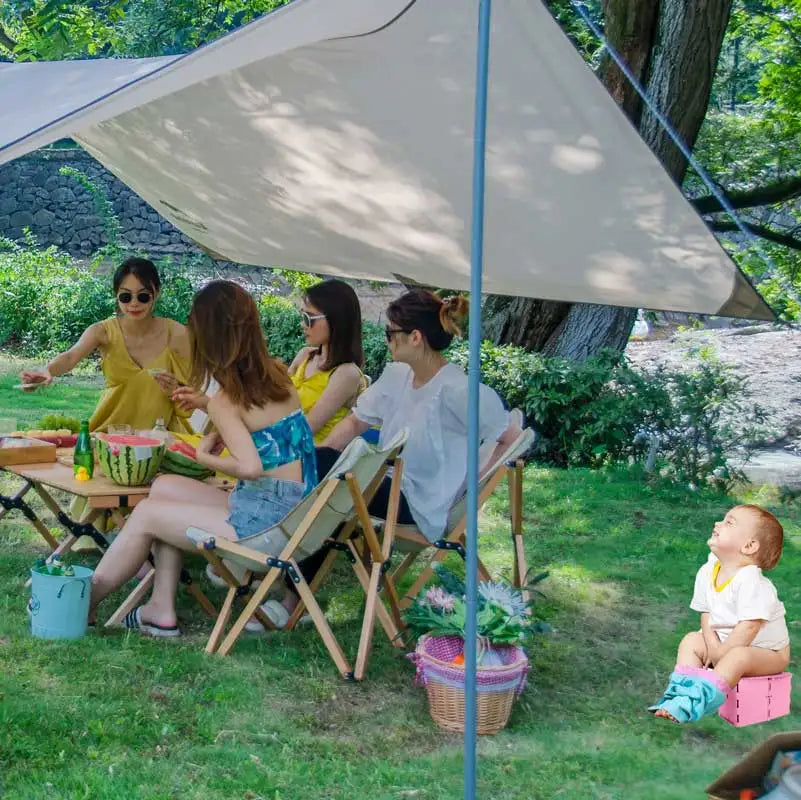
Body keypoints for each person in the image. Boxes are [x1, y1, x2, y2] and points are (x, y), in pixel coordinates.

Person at [249, 289, 522, 631]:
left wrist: (469, 492)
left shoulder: (459, 391)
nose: (386, 340)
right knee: (320, 477)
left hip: (416, 503)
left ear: (415, 337)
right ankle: (280, 578)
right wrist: (323, 458)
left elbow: (509, 437)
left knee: (326, 484)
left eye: (389, 332)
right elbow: (356, 422)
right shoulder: (398, 376)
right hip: (387, 484)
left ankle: (279, 582)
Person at [87, 280, 316, 635]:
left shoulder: (228, 400)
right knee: (164, 487)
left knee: (148, 512)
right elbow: (255, 433)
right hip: (294, 512)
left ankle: (85, 598)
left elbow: (250, 467)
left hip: (263, 528)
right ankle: (160, 609)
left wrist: (203, 457)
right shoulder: (276, 375)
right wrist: (211, 414)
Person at [649, 504, 790, 723]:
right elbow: (706, 612)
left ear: (749, 545)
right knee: (691, 641)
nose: (718, 523)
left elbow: (750, 627)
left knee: (739, 656)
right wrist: (713, 647)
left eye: (729, 522)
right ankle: (679, 696)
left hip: (768, 652)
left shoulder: (751, 580)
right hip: (727, 642)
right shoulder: (709, 570)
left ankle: (695, 702)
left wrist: (722, 653)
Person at [20, 257, 192, 433]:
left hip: (163, 438)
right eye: (125, 296)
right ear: (116, 295)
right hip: (111, 433)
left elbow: (193, 395)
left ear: (157, 293)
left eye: (143, 296)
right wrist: (47, 370)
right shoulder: (102, 332)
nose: (134, 303)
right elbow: (71, 356)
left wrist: (174, 391)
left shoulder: (177, 334)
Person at [288, 279, 366, 444]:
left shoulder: (346, 373)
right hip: (281, 441)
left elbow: (308, 427)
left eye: (309, 318)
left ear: (336, 319)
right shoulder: (305, 355)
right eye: (302, 316)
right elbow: (274, 396)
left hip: (302, 456)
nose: (303, 324)